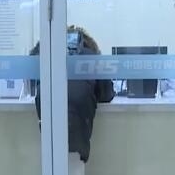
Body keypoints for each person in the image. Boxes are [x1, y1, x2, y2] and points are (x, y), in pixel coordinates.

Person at [31, 26, 115, 175]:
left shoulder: (49, 53)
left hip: (50, 131)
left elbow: (30, 70)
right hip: (79, 134)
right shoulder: (91, 57)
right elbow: (107, 94)